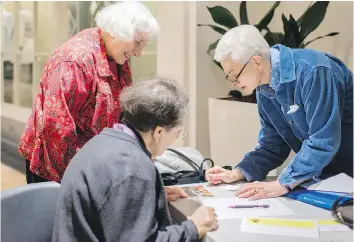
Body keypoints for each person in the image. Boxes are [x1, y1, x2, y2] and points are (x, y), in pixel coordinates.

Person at [52, 77, 218, 242]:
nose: (176, 139)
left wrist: (147, 196)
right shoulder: (133, 168)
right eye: (177, 133)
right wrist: (194, 227)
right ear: (159, 132)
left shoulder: (103, 141)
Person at [205, 25, 353, 200]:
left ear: (257, 62)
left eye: (234, 75)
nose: (233, 83)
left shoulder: (313, 71)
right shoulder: (264, 90)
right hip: (328, 180)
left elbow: (323, 140)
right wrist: (238, 172)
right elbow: (273, 144)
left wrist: (282, 183)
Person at [18, 1, 160, 183]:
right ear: (117, 32)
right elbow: (56, 131)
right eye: (137, 43)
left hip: (93, 164)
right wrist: (88, 179)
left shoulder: (116, 56)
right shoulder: (73, 61)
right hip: (58, 168)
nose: (139, 53)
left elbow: (122, 112)